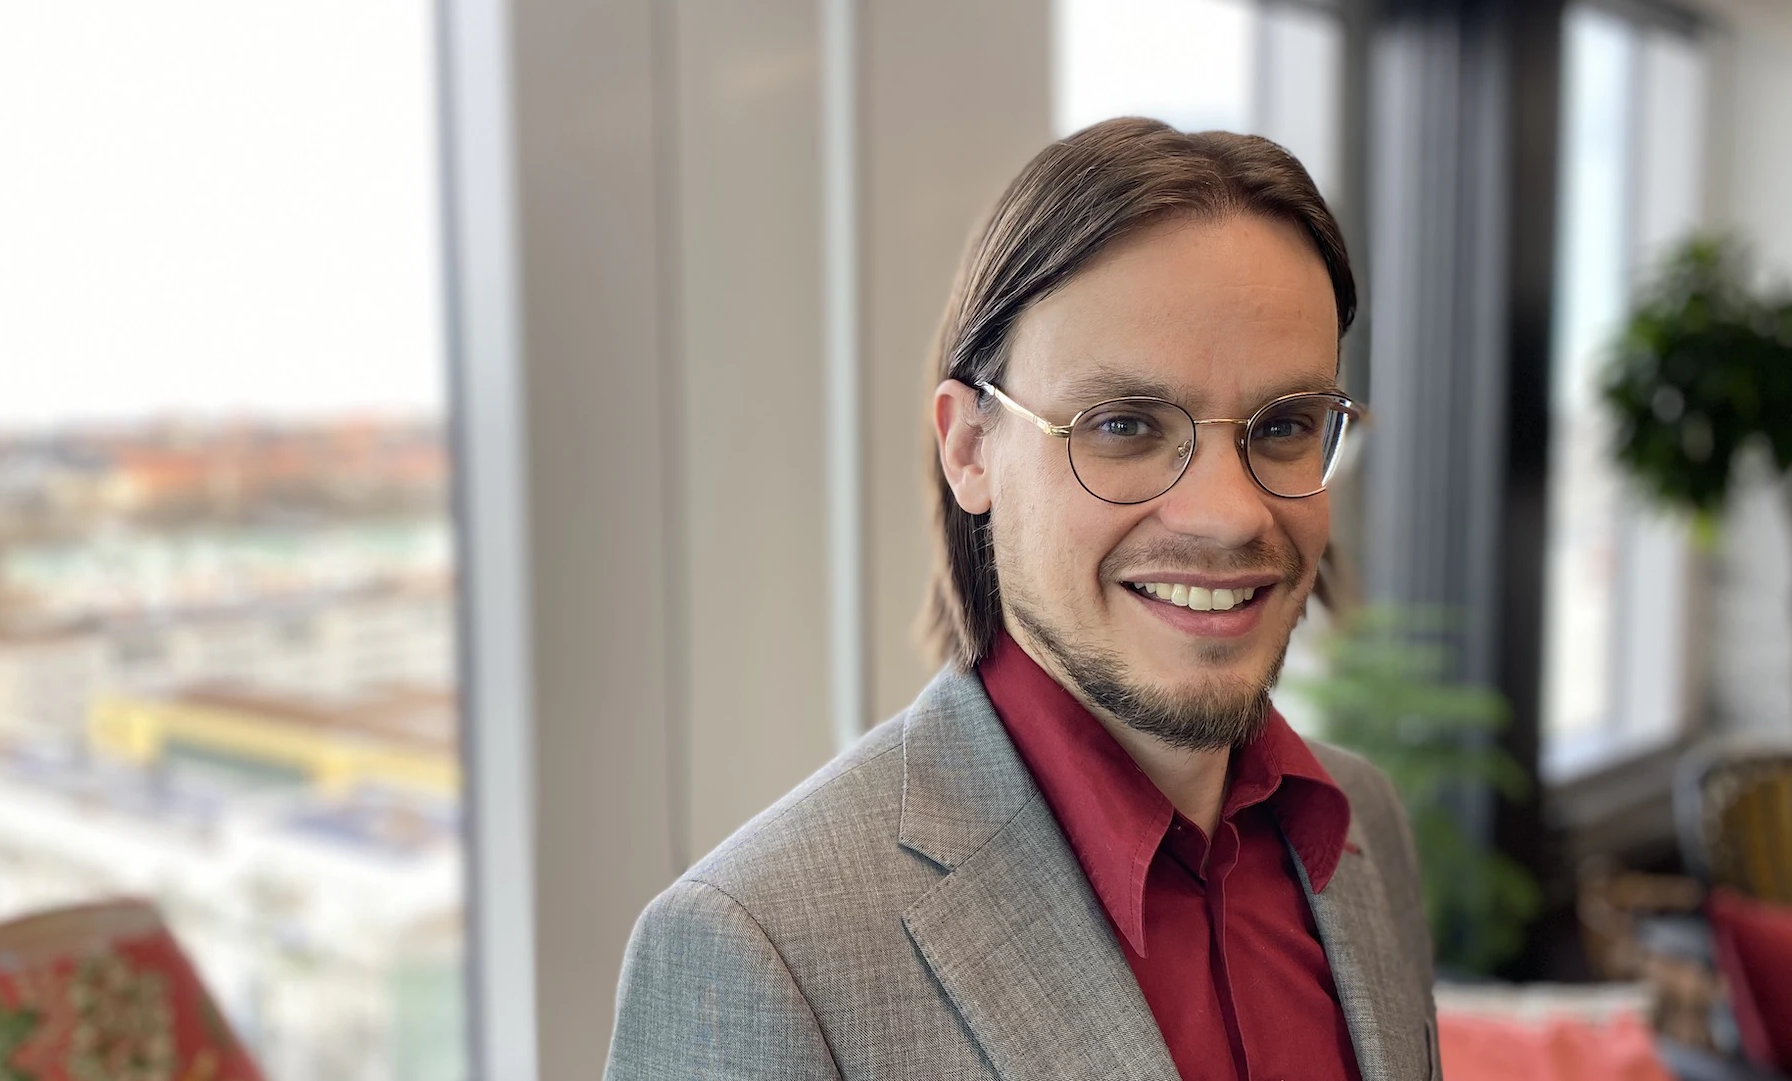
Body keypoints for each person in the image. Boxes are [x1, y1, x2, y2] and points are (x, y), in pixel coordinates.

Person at [605, 117, 1436, 1081]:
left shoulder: (1362, 824)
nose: (1226, 515)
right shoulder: (758, 950)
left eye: (1286, 424)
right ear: (969, 449)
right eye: (1123, 424)